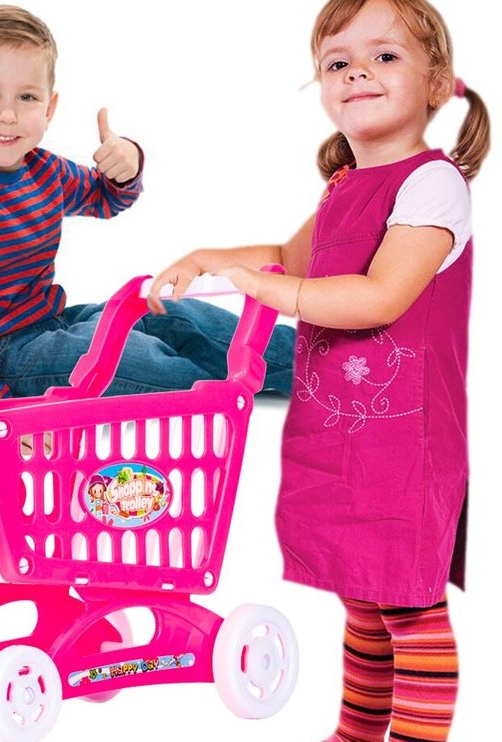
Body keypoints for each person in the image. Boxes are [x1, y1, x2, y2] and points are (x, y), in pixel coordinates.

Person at [149, 1, 488, 739]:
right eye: (338, 62)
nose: (358, 71)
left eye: (385, 56)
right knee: (363, 599)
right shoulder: (344, 187)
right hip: (342, 440)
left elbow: (380, 295)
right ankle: (355, 733)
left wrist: (273, 292)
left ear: (437, 83)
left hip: (404, 448)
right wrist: (211, 258)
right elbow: (287, 257)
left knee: (410, 606)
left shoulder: (433, 184)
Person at [0, 4, 294, 404]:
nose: (7, 114)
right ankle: (230, 389)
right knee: (136, 360)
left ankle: (312, 359)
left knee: (167, 312)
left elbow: (107, 198)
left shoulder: (42, 169)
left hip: (52, 323)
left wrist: (125, 165)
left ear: (49, 109)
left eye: (27, 97)